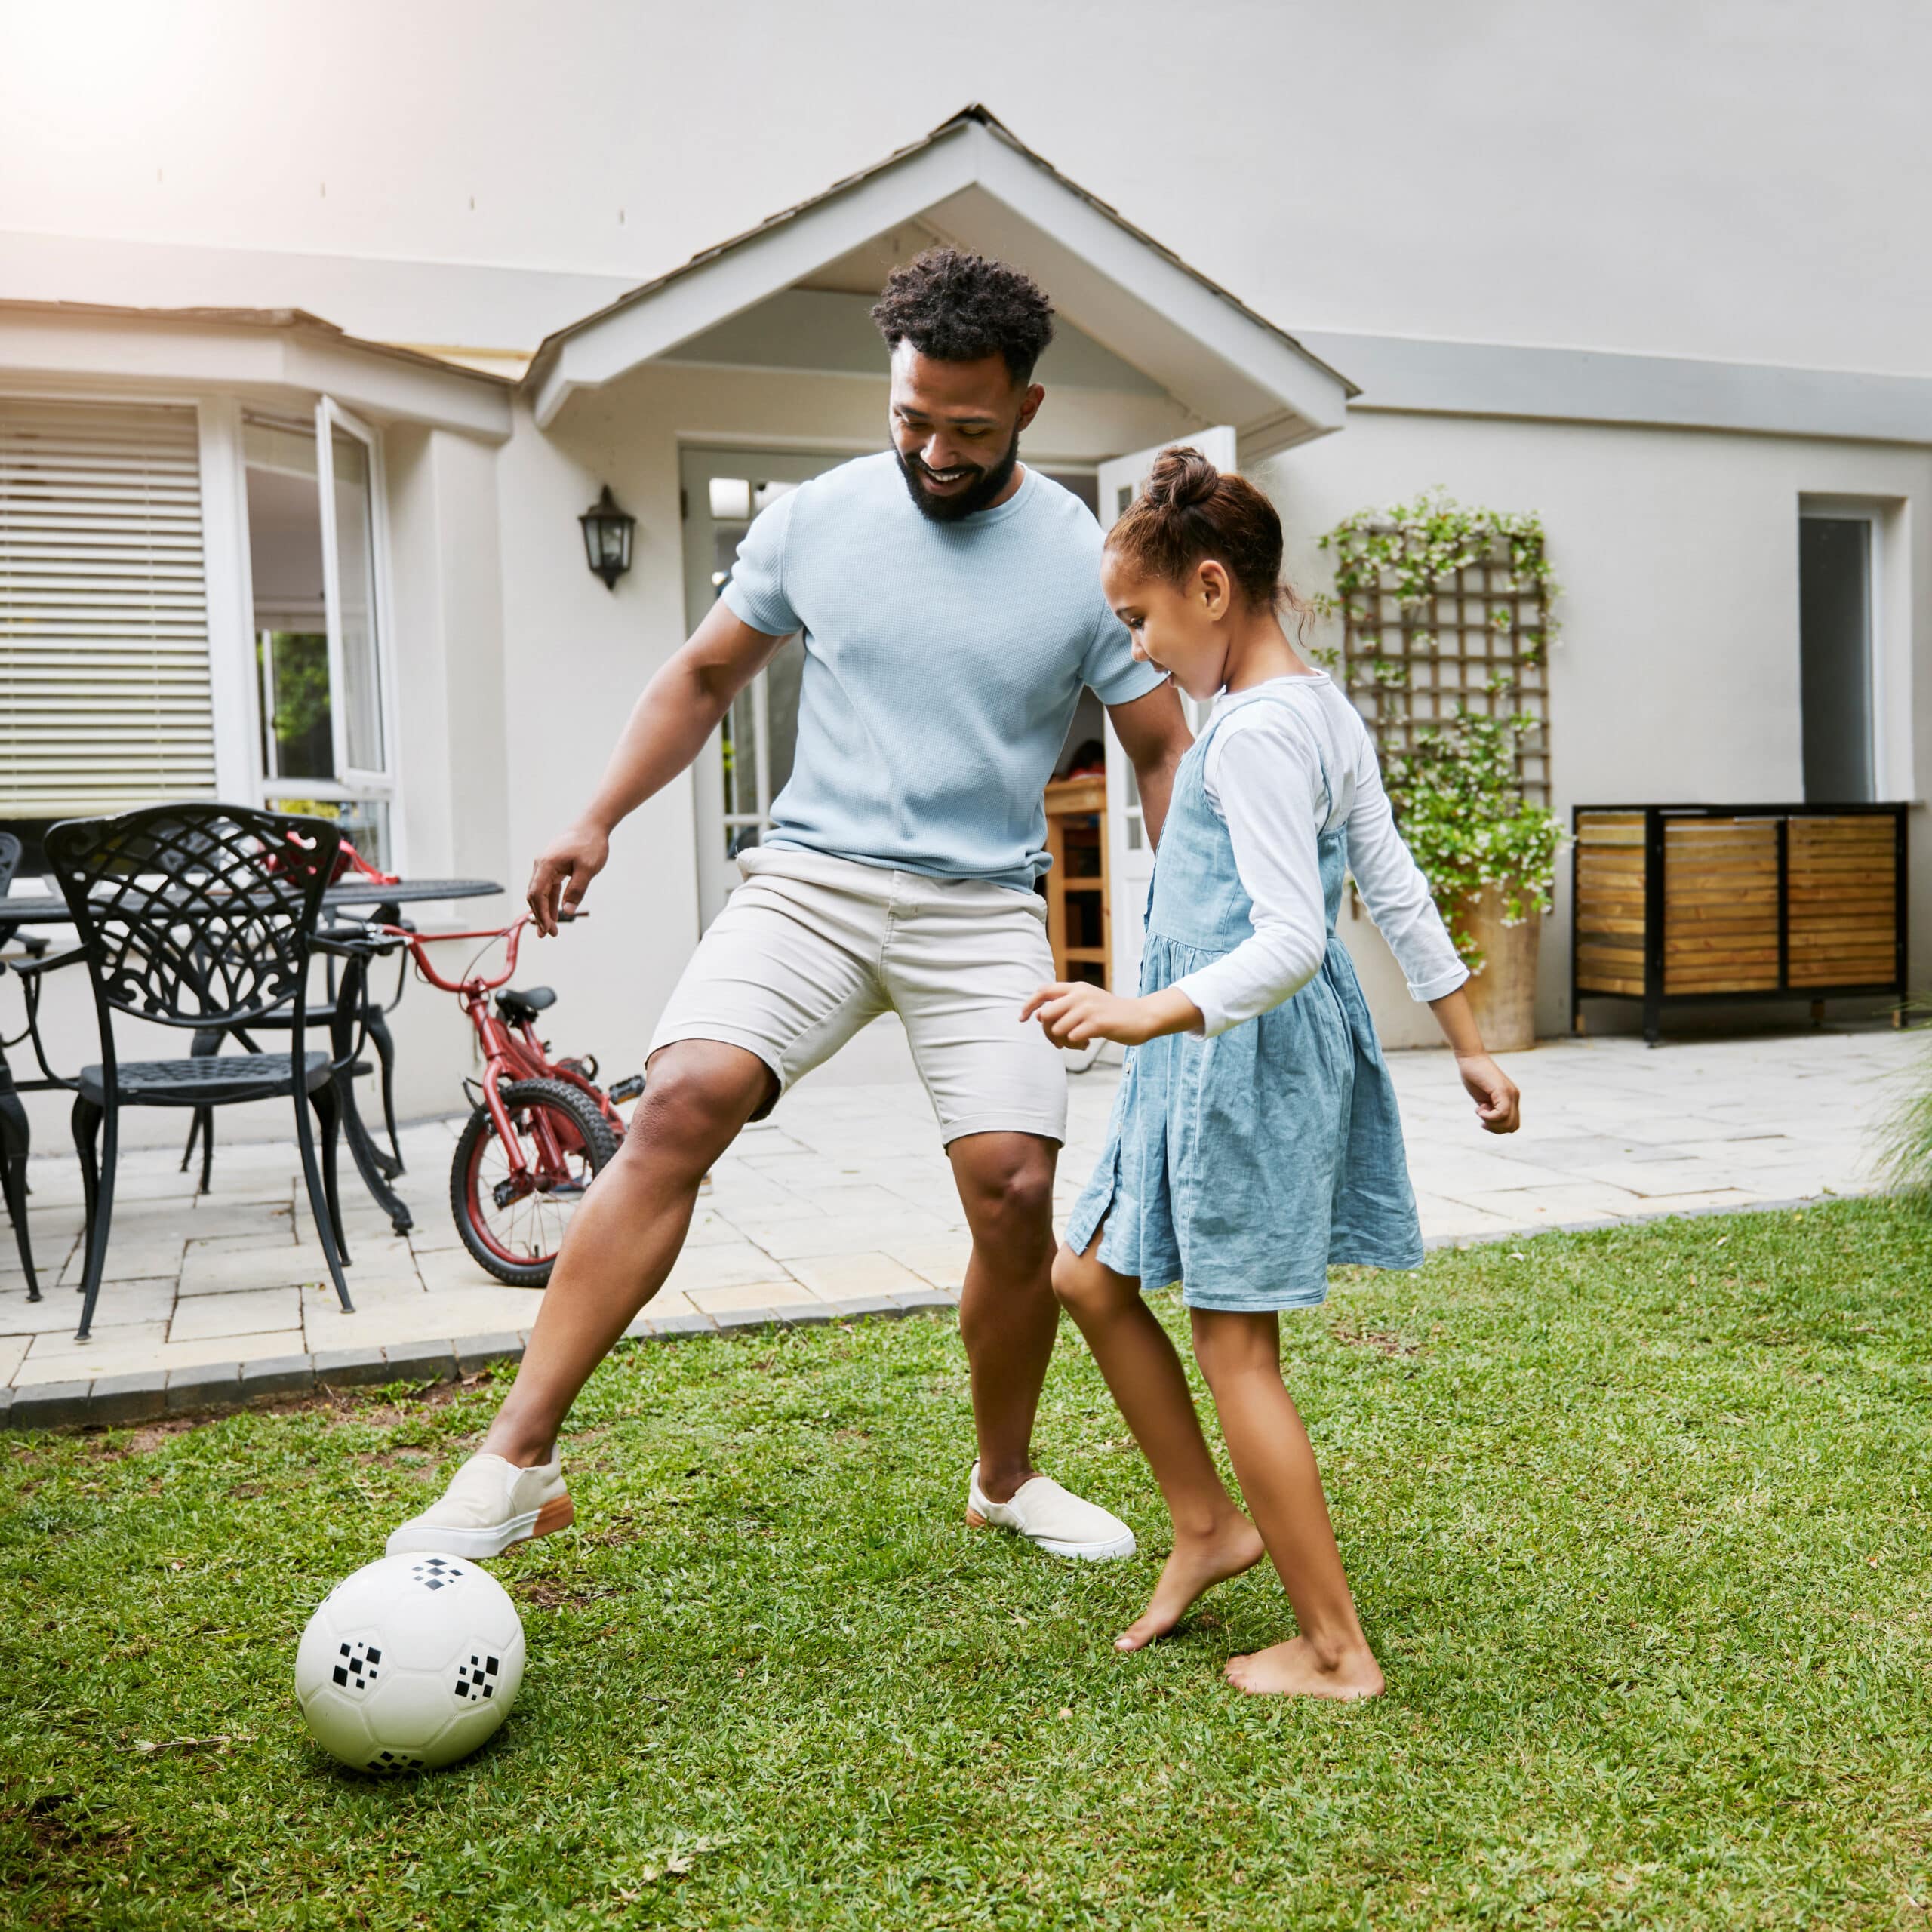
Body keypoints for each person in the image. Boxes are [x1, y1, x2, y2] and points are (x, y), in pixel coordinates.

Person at [388, 250, 1193, 1564]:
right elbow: (704, 675)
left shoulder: (1082, 559)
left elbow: (1157, 747)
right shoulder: (816, 516)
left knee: (1013, 1186)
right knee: (684, 1101)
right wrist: (596, 814)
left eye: (969, 428)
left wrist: (1175, 941)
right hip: (811, 882)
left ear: (1028, 412)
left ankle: (1005, 1475)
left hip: (979, 905)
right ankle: (513, 1463)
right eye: (910, 417)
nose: (933, 449)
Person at [1025, 448, 1522, 1699]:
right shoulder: (1315, 703)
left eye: (1138, 620)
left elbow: (1297, 938)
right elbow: (1394, 884)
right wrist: (1469, 1042)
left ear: (1209, 588)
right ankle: (1209, 1525)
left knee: (1236, 1348)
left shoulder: (1249, 734)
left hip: (1233, 1045)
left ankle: (1337, 1650)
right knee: (1085, 1272)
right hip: (1218, 1045)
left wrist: (1141, 1013)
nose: (1133, 652)